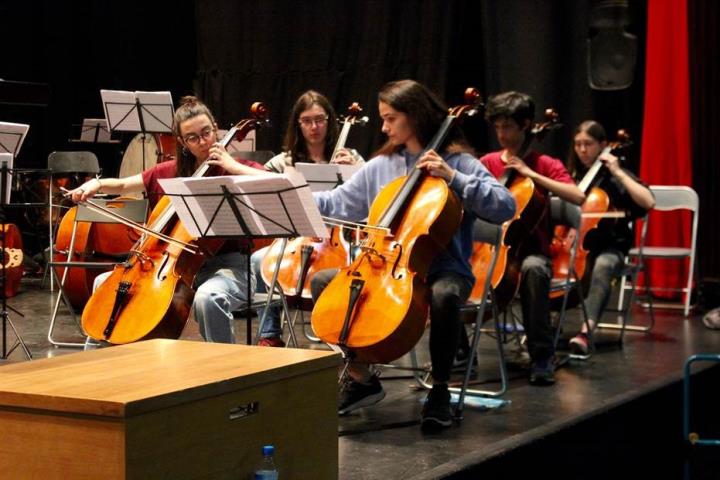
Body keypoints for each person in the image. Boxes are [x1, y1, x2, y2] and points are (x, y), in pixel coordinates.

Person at [309, 79, 516, 432]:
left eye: (390, 118)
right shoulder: (381, 166)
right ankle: (361, 376)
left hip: (446, 268)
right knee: (324, 283)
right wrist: (292, 196)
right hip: (386, 265)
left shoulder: (459, 162)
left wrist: (454, 178)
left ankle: (439, 391)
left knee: (444, 295)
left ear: (415, 116)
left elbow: (505, 206)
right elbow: (338, 203)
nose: (384, 127)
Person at [69, 95, 267, 344]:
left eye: (206, 132)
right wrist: (96, 184)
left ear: (216, 128)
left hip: (229, 266)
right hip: (173, 266)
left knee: (209, 297)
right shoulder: (169, 172)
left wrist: (231, 165)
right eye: (193, 138)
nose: (203, 142)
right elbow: (122, 184)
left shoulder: (233, 169)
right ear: (183, 143)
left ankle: (223, 370)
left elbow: (273, 181)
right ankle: (98, 364)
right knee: (104, 284)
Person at [479, 91, 585, 386]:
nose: (501, 134)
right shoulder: (488, 162)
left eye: (508, 127)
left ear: (526, 125)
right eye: (497, 127)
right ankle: (460, 354)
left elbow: (577, 195)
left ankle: (541, 356)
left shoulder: (545, 163)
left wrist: (531, 175)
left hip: (531, 252)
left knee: (534, 270)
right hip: (489, 249)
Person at [251, 90, 364, 347]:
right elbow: (262, 188)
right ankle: (270, 334)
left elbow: (372, 201)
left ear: (330, 121)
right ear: (297, 124)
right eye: (307, 120)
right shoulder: (285, 161)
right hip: (297, 236)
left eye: (320, 119)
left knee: (357, 265)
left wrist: (356, 172)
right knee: (259, 259)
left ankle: (343, 334)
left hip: (342, 239)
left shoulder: (352, 157)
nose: (314, 127)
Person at [566, 120, 655, 354]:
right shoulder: (573, 176)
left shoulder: (616, 176)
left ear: (603, 145)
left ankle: (586, 331)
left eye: (588, 144)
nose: (582, 150)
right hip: (575, 246)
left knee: (603, 266)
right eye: (578, 144)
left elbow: (648, 201)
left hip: (610, 246)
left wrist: (616, 170)